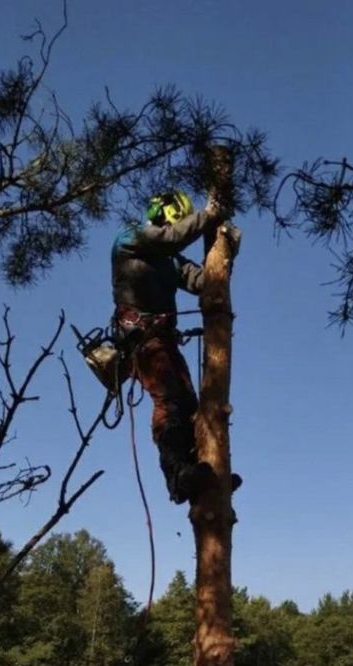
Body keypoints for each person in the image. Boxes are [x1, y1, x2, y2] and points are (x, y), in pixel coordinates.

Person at [88, 190, 240, 504]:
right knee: (169, 401)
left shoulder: (170, 260)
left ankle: (205, 471)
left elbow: (202, 282)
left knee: (189, 405)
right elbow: (171, 238)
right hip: (141, 340)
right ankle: (177, 476)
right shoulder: (130, 238)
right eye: (182, 220)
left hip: (165, 341)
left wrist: (226, 253)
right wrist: (209, 214)